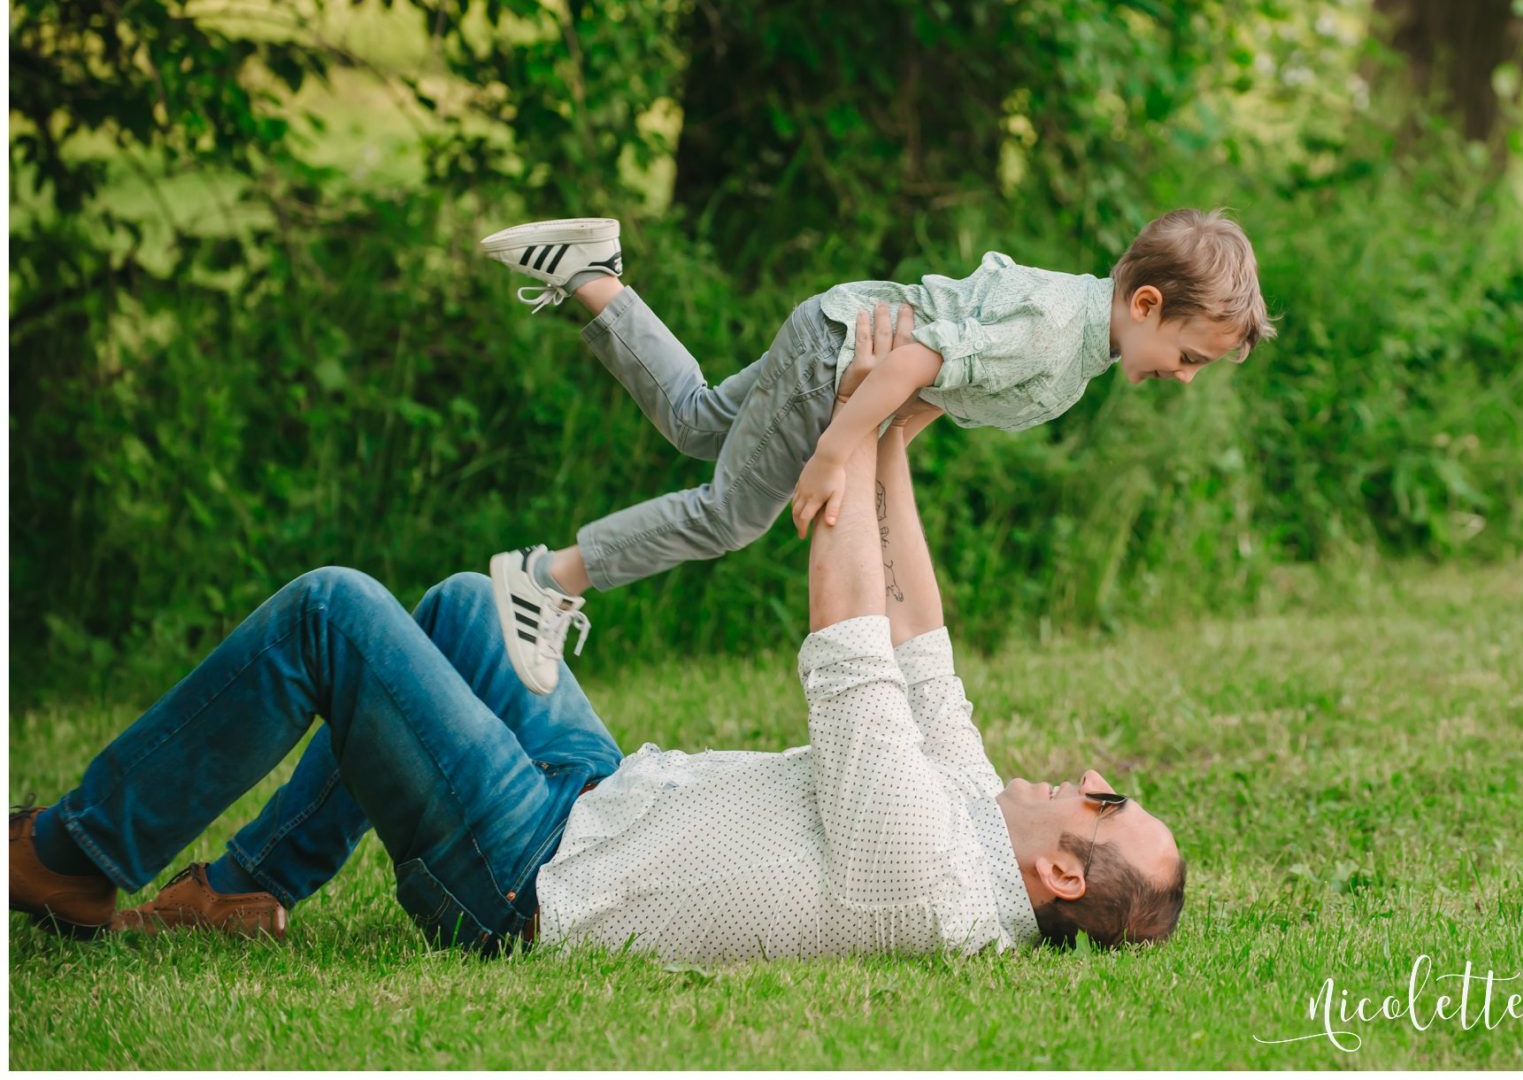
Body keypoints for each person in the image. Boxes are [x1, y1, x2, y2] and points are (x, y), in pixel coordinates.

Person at [10, 308, 1187, 959]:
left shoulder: (928, 876)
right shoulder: (980, 820)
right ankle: (253, 884)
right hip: (603, 793)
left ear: (1063, 870)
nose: (1090, 775)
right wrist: (888, 431)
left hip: (530, 876)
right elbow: (920, 637)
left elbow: (853, 639)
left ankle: (71, 856)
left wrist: (843, 435)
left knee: (335, 609)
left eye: (1106, 799)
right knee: (473, 608)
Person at [478, 209, 1272, 695]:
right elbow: (915, 359)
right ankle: (545, 579)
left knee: (697, 421)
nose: (1185, 378)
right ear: (1146, 304)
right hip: (836, 359)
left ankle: (589, 273)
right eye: (1190, 357)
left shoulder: (1080, 340)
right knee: (730, 517)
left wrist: (879, 446)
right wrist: (832, 453)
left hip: (834, 331)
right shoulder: (1054, 335)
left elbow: (935, 388)